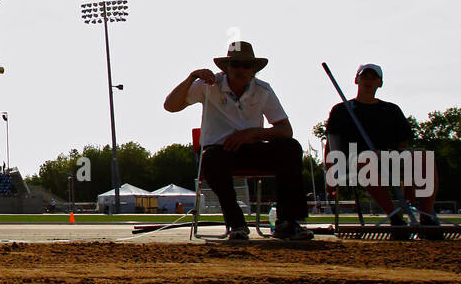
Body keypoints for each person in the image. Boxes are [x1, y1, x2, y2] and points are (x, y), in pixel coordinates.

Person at [163, 42, 311, 241]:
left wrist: (251, 133)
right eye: (235, 64)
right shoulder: (209, 86)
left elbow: (285, 130)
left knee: (291, 148)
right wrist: (191, 78)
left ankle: (287, 222)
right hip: (219, 151)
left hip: (252, 148)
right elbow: (170, 106)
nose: (241, 70)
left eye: (246, 65)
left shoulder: (263, 90)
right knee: (211, 159)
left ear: (253, 70)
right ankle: (236, 223)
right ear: (226, 68)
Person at [324, 63, 441, 239]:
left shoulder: (391, 110)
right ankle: (396, 219)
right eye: (364, 77)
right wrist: (330, 174)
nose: (368, 81)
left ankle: (427, 218)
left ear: (380, 83)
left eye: (373, 77)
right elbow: (331, 146)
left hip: (389, 157)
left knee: (424, 156)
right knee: (366, 158)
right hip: (356, 160)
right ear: (356, 80)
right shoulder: (341, 110)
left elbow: (403, 146)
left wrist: (409, 180)